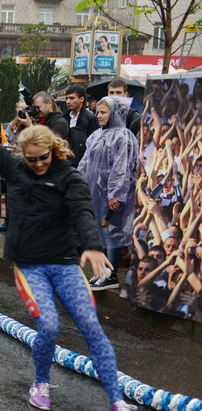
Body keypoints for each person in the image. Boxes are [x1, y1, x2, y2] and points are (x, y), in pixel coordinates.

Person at [0, 83, 136, 411]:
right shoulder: (17, 168)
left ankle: (117, 399)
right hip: (29, 263)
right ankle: (41, 382)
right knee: (49, 324)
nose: (36, 164)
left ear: (54, 151)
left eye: (42, 158)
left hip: (64, 263)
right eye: (30, 159)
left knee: (91, 325)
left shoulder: (68, 176)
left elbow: (82, 210)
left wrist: (92, 245)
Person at [78, 97, 138, 291]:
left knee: (111, 231)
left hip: (111, 195)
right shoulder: (95, 135)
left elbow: (122, 168)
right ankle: (102, 271)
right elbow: (85, 163)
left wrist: (116, 194)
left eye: (103, 112)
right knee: (99, 232)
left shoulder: (124, 136)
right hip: (96, 192)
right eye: (97, 112)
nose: (98, 115)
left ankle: (111, 274)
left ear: (114, 114)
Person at [64, 85, 99, 167]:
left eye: (72, 98)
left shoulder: (90, 118)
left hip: (82, 163)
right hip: (65, 161)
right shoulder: (64, 117)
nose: (68, 101)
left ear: (81, 99)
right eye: (67, 98)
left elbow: (93, 142)